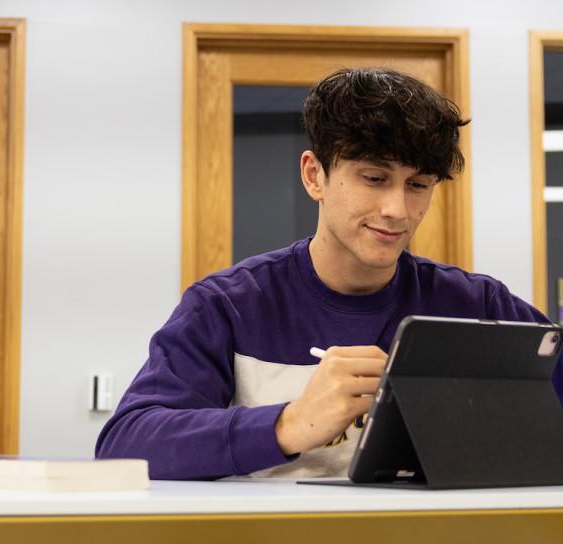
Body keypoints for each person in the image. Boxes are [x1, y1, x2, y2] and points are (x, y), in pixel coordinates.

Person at [95, 67, 563, 481]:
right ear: (314, 175)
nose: (397, 209)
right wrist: (288, 425)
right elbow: (126, 443)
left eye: (417, 185)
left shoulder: (477, 306)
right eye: (374, 178)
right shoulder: (228, 305)